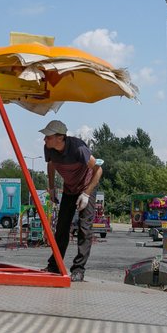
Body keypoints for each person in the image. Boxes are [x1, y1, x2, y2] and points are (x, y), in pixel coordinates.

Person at [40, 120, 103, 282]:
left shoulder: (78, 148)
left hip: (86, 187)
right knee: (61, 227)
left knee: (84, 228)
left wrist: (87, 194)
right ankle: (54, 265)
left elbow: (99, 169)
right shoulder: (49, 148)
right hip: (69, 189)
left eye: (48, 136)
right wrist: (52, 187)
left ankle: (79, 269)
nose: (44, 140)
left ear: (60, 138)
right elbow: (51, 165)